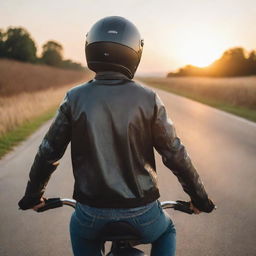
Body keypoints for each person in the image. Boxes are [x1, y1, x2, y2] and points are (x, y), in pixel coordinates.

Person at [18, 16, 215, 256]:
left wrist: (33, 195)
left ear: (91, 48)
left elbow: (49, 151)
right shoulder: (148, 98)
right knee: (166, 231)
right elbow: (175, 154)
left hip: (91, 213)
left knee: (77, 229)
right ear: (134, 53)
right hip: (142, 213)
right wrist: (199, 199)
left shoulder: (74, 98)